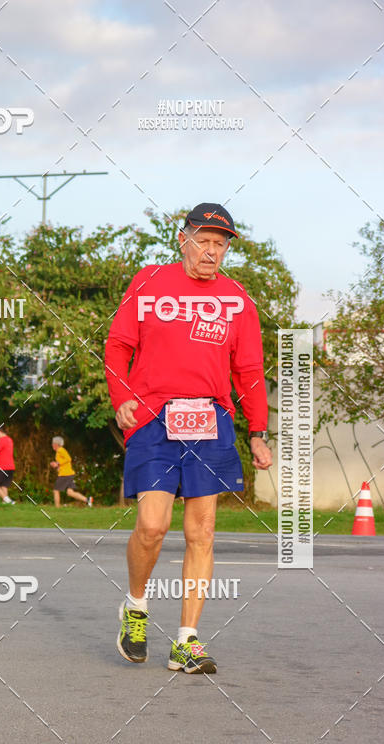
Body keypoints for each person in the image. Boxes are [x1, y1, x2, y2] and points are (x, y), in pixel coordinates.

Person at [104, 202, 272, 673]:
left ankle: (187, 640)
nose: (212, 251)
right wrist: (121, 397)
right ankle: (135, 607)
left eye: (221, 244)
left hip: (211, 419)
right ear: (183, 239)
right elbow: (118, 344)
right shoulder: (149, 281)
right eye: (204, 240)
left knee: (202, 531)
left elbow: (250, 370)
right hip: (154, 418)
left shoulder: (236, 298)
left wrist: (257, 431)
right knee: (153, 525)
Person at [50, 437, 92, 507]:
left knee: (56, 490)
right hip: (69, 473)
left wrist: (57, 464)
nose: (52, 445)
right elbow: (64, 463)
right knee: (70, 492)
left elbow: (68, 458)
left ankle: (57, 508)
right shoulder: (59, 451)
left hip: (65, 474)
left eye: (53, 443)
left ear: (56, 444)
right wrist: (56, 465)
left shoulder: (60, 450)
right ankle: (88, 500)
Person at [0, 426, 16, 505]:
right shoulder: (9, 440)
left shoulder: (1, 440)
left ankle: (9, 501)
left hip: (2, 467)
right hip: (11, 467)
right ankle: (5, 503)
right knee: (3, 486)